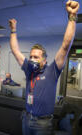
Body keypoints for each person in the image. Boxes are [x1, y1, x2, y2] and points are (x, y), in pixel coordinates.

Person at [9, 0, 79, 135]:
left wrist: (72, 17)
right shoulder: (28, 69)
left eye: (36, 57)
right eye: (31, 56)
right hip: (26, 118)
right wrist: (13, 31)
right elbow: (16, 51)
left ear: (44, 60)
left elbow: (65, 46)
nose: (32, 59)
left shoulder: (53, 69)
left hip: (43, 123)